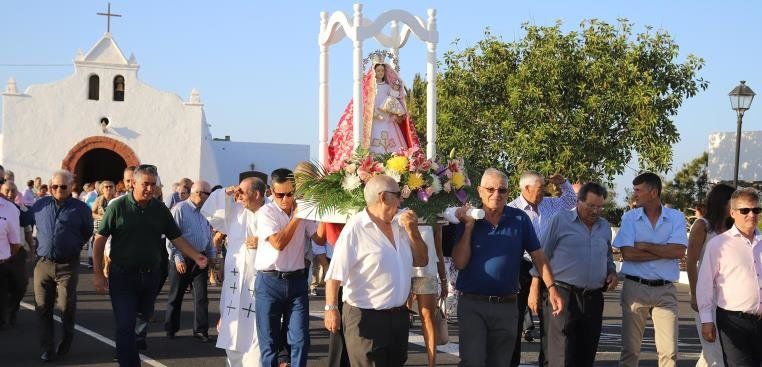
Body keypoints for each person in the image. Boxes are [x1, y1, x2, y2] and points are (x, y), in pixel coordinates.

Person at [92, 164, 208, 367]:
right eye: (145, 184)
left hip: (150, 277)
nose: (149, 189)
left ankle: (129, 349)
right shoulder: (117, 207)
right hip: (122, 276)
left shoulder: (159, 208)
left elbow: (176, 237)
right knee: (125, 324)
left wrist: (196, 256)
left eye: (153, 185)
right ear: (133, 184)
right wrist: (98, 273)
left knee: (142, 319)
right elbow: (100, 239)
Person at [452, 168, 563, 367]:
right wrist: (469, 227)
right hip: (473, 304)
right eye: (490, 189)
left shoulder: (519, 219)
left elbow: (538, 256)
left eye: (502, 190)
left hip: (507, 305)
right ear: (479, 191)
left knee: (501, 362)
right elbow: (460, 263)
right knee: (473, 361)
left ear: (508, 192)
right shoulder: (466, 217)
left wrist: (552, 288)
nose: (496, 194)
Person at [324, 174, 429, 367]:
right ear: (383, 197)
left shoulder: (402, 224)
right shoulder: (356, 227)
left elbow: (422, 261)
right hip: (366, 317)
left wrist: (413, 230)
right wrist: (331, 308)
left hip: (399, 317)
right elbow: (335, 273)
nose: (402, 200)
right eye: (398, 194)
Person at [528, 182, 618, 367]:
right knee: (559, 355)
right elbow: (542, 255)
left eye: (600, 207)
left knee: (586, 354)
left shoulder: (604, 227)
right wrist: (534, 288)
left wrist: (612, 272)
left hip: (593, 298)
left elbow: (607, 256)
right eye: (591, 206)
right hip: (562, 295)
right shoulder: (560, 220)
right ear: (578, 202)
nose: (596, 211)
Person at [613, 172, 688, 367]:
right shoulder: (629, 217)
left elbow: (679, 251)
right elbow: (628, 254)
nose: (634, 194)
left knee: (669, 352)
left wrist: (644, 245)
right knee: (630, 351)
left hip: (666, 290)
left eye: (638, 190)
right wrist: (665, 251)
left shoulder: (676, 217)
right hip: (635, 288)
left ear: (653, 192)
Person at [254, 168, 325, 367]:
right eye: (280, 195)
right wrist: (297, 217)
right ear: (271, 192)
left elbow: (319, 237)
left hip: (296, 281)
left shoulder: (302, 209)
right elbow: (278, 243)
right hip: (269, 282)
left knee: (300, 339)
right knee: (269, 343)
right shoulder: (266, 212)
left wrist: (325, 213)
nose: (285, 199)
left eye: (290, 193)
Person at [508, 171, 576, 367]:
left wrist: (563, 182)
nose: (542, 193)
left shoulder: (549, 203)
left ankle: (546, 363)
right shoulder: (512, 209)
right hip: (521, 267)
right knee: (516, 320)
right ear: (526, 189)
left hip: (547, 267)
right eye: (539, 190)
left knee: (550, 321)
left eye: (543, 189)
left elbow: (571, 200)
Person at [202, 176, 267, 366]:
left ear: (256, 194)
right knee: (232, 332)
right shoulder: (236, 211)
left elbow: (282, 240)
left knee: (257, 332)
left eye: (242, 192)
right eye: (237, 192)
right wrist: (225, 193)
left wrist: (261, 241)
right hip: (235, 283)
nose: (238, 195)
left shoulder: (270, 211)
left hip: (258, 281)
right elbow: (210, 212)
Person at [29, 170, 93, 362]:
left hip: (67, 265)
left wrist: (72, 246)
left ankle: (67, 338)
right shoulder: (39, 205)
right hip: (43, 264)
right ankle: (47, 348)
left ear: (71, 187)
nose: (58, 190)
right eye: (54, 186)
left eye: (63, 186)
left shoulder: (80, 208)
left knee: (66, 306)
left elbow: (87, 232)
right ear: (49, 187)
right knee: (42, 308)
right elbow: (24, 221)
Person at [697, 187, 762, 365]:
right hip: (733, 322)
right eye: (745, 210)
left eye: (756, 209)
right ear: (733, 213)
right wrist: (706, 321)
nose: (751, 215)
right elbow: (705, 284)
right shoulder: (718, 244)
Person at [327, 51, 420, 172]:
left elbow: (392, 99)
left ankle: (395, 168)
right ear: (373, 71)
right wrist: (374, 113)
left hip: (388, 121)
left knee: (393, 148)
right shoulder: (369, 89)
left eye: (382, 71)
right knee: (372, 148)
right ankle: (371, 168)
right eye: (378, 71)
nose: (380, 73)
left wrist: (396, 91)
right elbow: (364, 104)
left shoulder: (387, 87)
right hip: (373, 122)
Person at [686, 183, 734, 367]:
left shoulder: (734, 228)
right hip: (707, 296)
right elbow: (691, 262)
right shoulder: (702, 226)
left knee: (713, 354)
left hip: (730, 299)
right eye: (733, 201)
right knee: (714, 352)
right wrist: (694, 294)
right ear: (722, 202)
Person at [165, 180, 215, 341]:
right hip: (182, 257)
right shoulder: (180, 209)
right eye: (209, 194)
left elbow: (208, 236)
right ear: (199, 194)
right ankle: (171, 328)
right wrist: (178, 258)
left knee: (201, 296)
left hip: (200, 258)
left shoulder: (205, 211)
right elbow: (171, 236)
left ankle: (200, 331)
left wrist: (212, 256)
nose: (210, 197)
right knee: (176, 295)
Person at [0, 181, 35, 328]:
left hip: (17, 252)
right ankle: (4, 317)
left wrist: (32, 250)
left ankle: (12, 309)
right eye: (7, 190)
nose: (10, 193)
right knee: (2, 289)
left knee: (21, 285)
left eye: (13, 191)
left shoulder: (21, 210)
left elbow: (28, 231)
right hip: (2, 254)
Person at [0, 185, 21, 331]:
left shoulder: (11, 209)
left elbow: (15, 242)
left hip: (4, 261)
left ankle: (9, 314)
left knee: (18, 286)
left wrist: (8, 257)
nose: (9, 193)